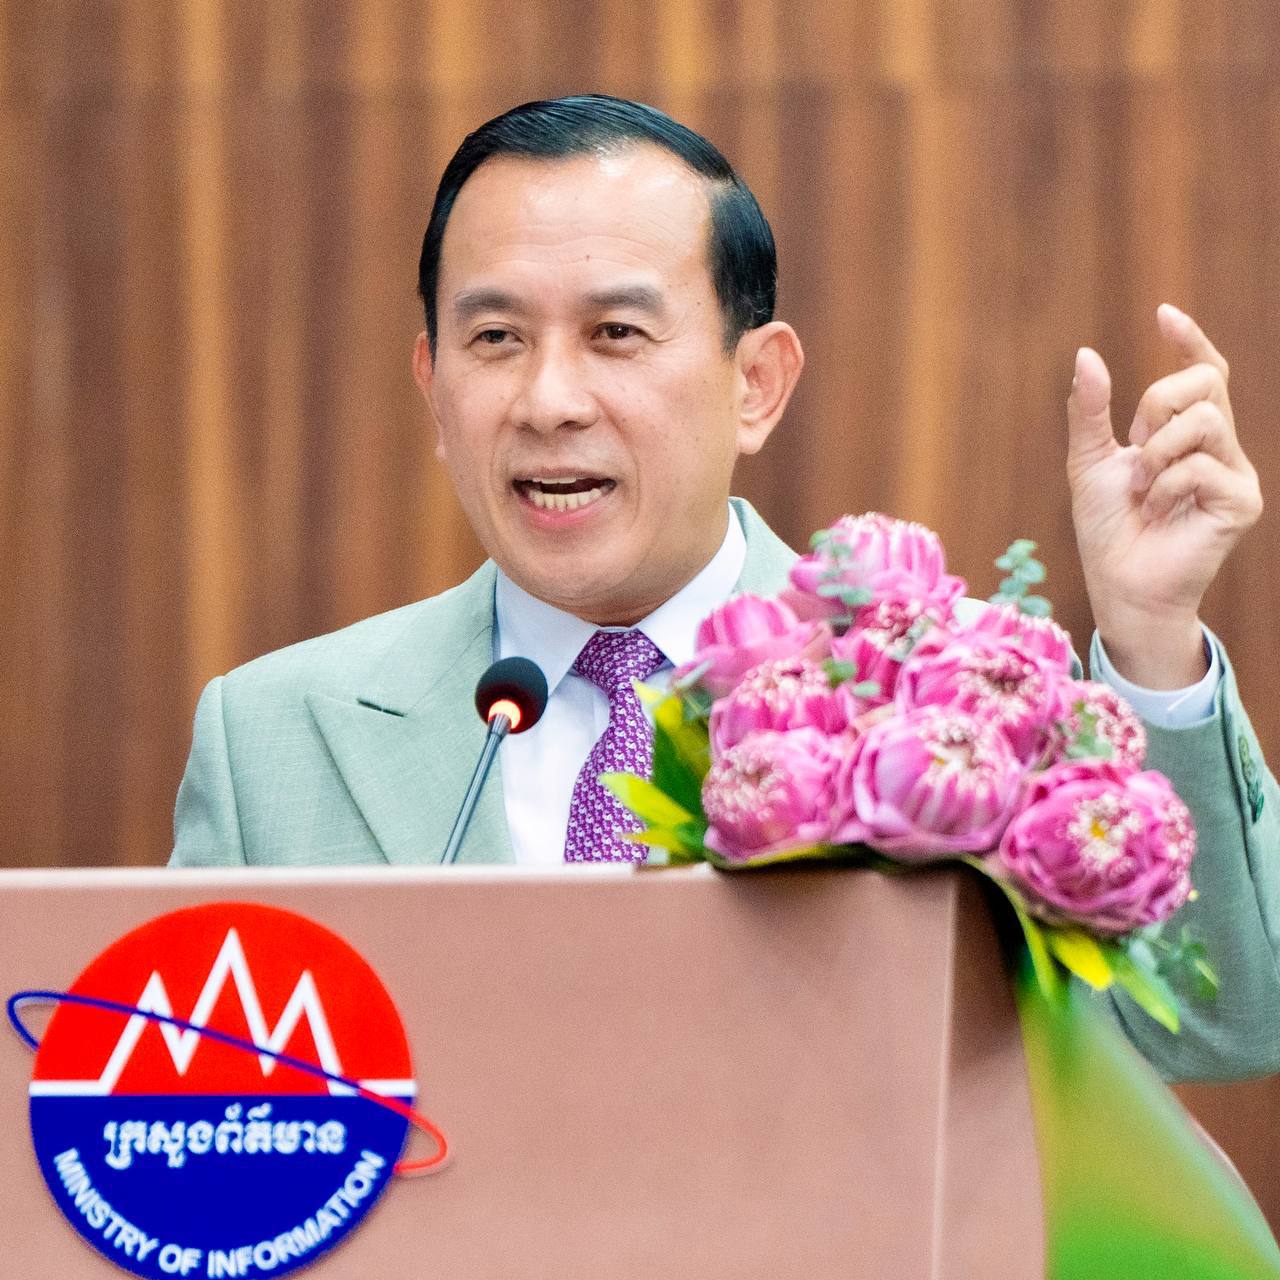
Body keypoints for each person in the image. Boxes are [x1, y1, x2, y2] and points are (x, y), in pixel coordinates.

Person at [171, 95, 1279, 1080]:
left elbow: (1221, 1027)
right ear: (432, 385)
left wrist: (1150, 639)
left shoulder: (954, 701)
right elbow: (193, 1132)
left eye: (615, 333)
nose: (548, 400)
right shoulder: (273, 734)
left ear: (755, 384)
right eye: (495, 337)